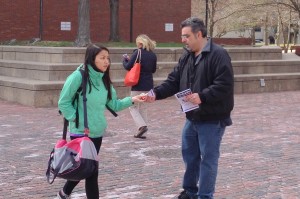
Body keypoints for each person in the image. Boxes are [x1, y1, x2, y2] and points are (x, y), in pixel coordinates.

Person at [145, 17, 234, 199]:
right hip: (192, 116)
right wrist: (155, 94)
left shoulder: (219, 54)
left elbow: (224, 85)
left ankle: (205, 195)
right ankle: (190, 192)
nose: (183, 40)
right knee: (190, 157)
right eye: (182, 36)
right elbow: (173, 81)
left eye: (186, 36)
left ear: (199, 34)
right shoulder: (186, 55)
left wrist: (202, 96)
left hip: (212, 119)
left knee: (208, 160)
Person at [57, 44, 145, 199]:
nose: (107, 62)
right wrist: (76, 119)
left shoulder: (104, 80)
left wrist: (133, 100)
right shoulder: (78, 76)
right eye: (102, 58)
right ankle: (64, 193)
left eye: (108, 58)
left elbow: (114, 105)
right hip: (80, 133)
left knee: (85, 168)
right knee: (91, 172)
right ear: (92, 59)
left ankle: (64, 193)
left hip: (97, 132)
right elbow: (63, 102)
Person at [122, 34, 157, 138]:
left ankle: (141, 126)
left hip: (138, 83)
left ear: (140, 43)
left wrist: (125, 60)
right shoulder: (152, 55)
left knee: (132, 106)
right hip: (148, 84)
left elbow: (128, 67)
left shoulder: (138, 52)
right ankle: (142, 133)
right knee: (143, 107)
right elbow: (153, 70)